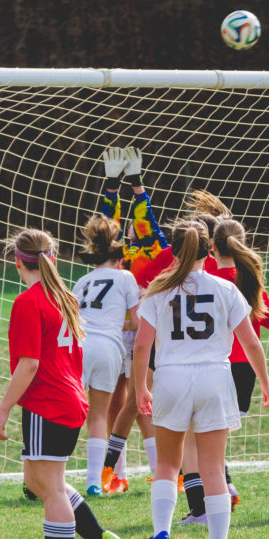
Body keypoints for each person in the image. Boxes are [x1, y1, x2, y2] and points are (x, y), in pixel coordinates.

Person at [133, 219, 269, 539]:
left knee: (168, 463)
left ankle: (162, 533)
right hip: (215, 377)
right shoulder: (226, 289)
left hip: (171, 379)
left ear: (174, 250)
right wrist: (266, 383)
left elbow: (141, 346)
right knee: (213, 467)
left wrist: (140, 387)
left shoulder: (158, 290)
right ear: (208, 248)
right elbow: (252, 343)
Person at [0, 227, 123, 539]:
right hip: (68, 398)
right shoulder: (65, 296)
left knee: (49, 487)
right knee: (38, 481)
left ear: (19, 263)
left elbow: (29, 364)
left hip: (47, 402)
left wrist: (3, 409)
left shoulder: (29, 302)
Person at [170, 218, 269, 526]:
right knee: (212, 437)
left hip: (213, 366)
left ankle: (203, 509)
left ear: (211, 248)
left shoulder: (205, 278)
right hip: (246, 370)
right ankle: (224, 488)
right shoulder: (247, 280)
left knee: (195, 441)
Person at [96, 147, 167, 493]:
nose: (134, 229)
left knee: (142, 400)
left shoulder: (157, 249)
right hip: (115, 333)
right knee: (115, 401)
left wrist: (138, 186)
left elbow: (148, 221)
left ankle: (161, 470)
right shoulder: (117, 253)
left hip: (145, 333)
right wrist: (112, 187)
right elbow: (105, 230)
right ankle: (117, 475)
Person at [72, 215, 140, 496]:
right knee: (98, 416)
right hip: (108, 348)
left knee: (70, 413)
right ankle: (93, 482)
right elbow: (136, 322)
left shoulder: (81, 281)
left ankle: (49, 472)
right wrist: (115, 323)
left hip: (78, 345)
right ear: (119, 254)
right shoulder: (126, 277)